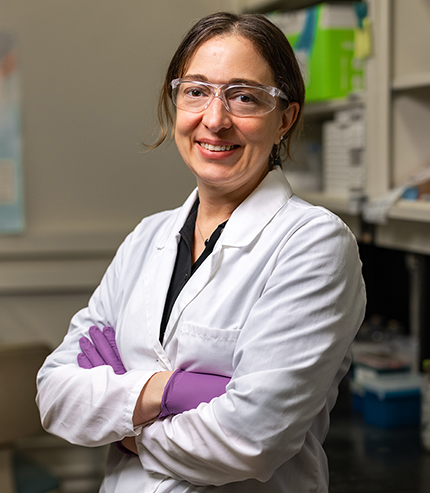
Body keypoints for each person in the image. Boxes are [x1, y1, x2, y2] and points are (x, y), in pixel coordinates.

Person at [36, 11, 366, 492]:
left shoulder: (314, 244)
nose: (214, 119)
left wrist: (124, 426)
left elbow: (249, 440)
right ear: (176, 105)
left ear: (285, 120)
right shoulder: (147, 238)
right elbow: (56, 395)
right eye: (196, 91)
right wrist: (170, 391)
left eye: (244, 97)